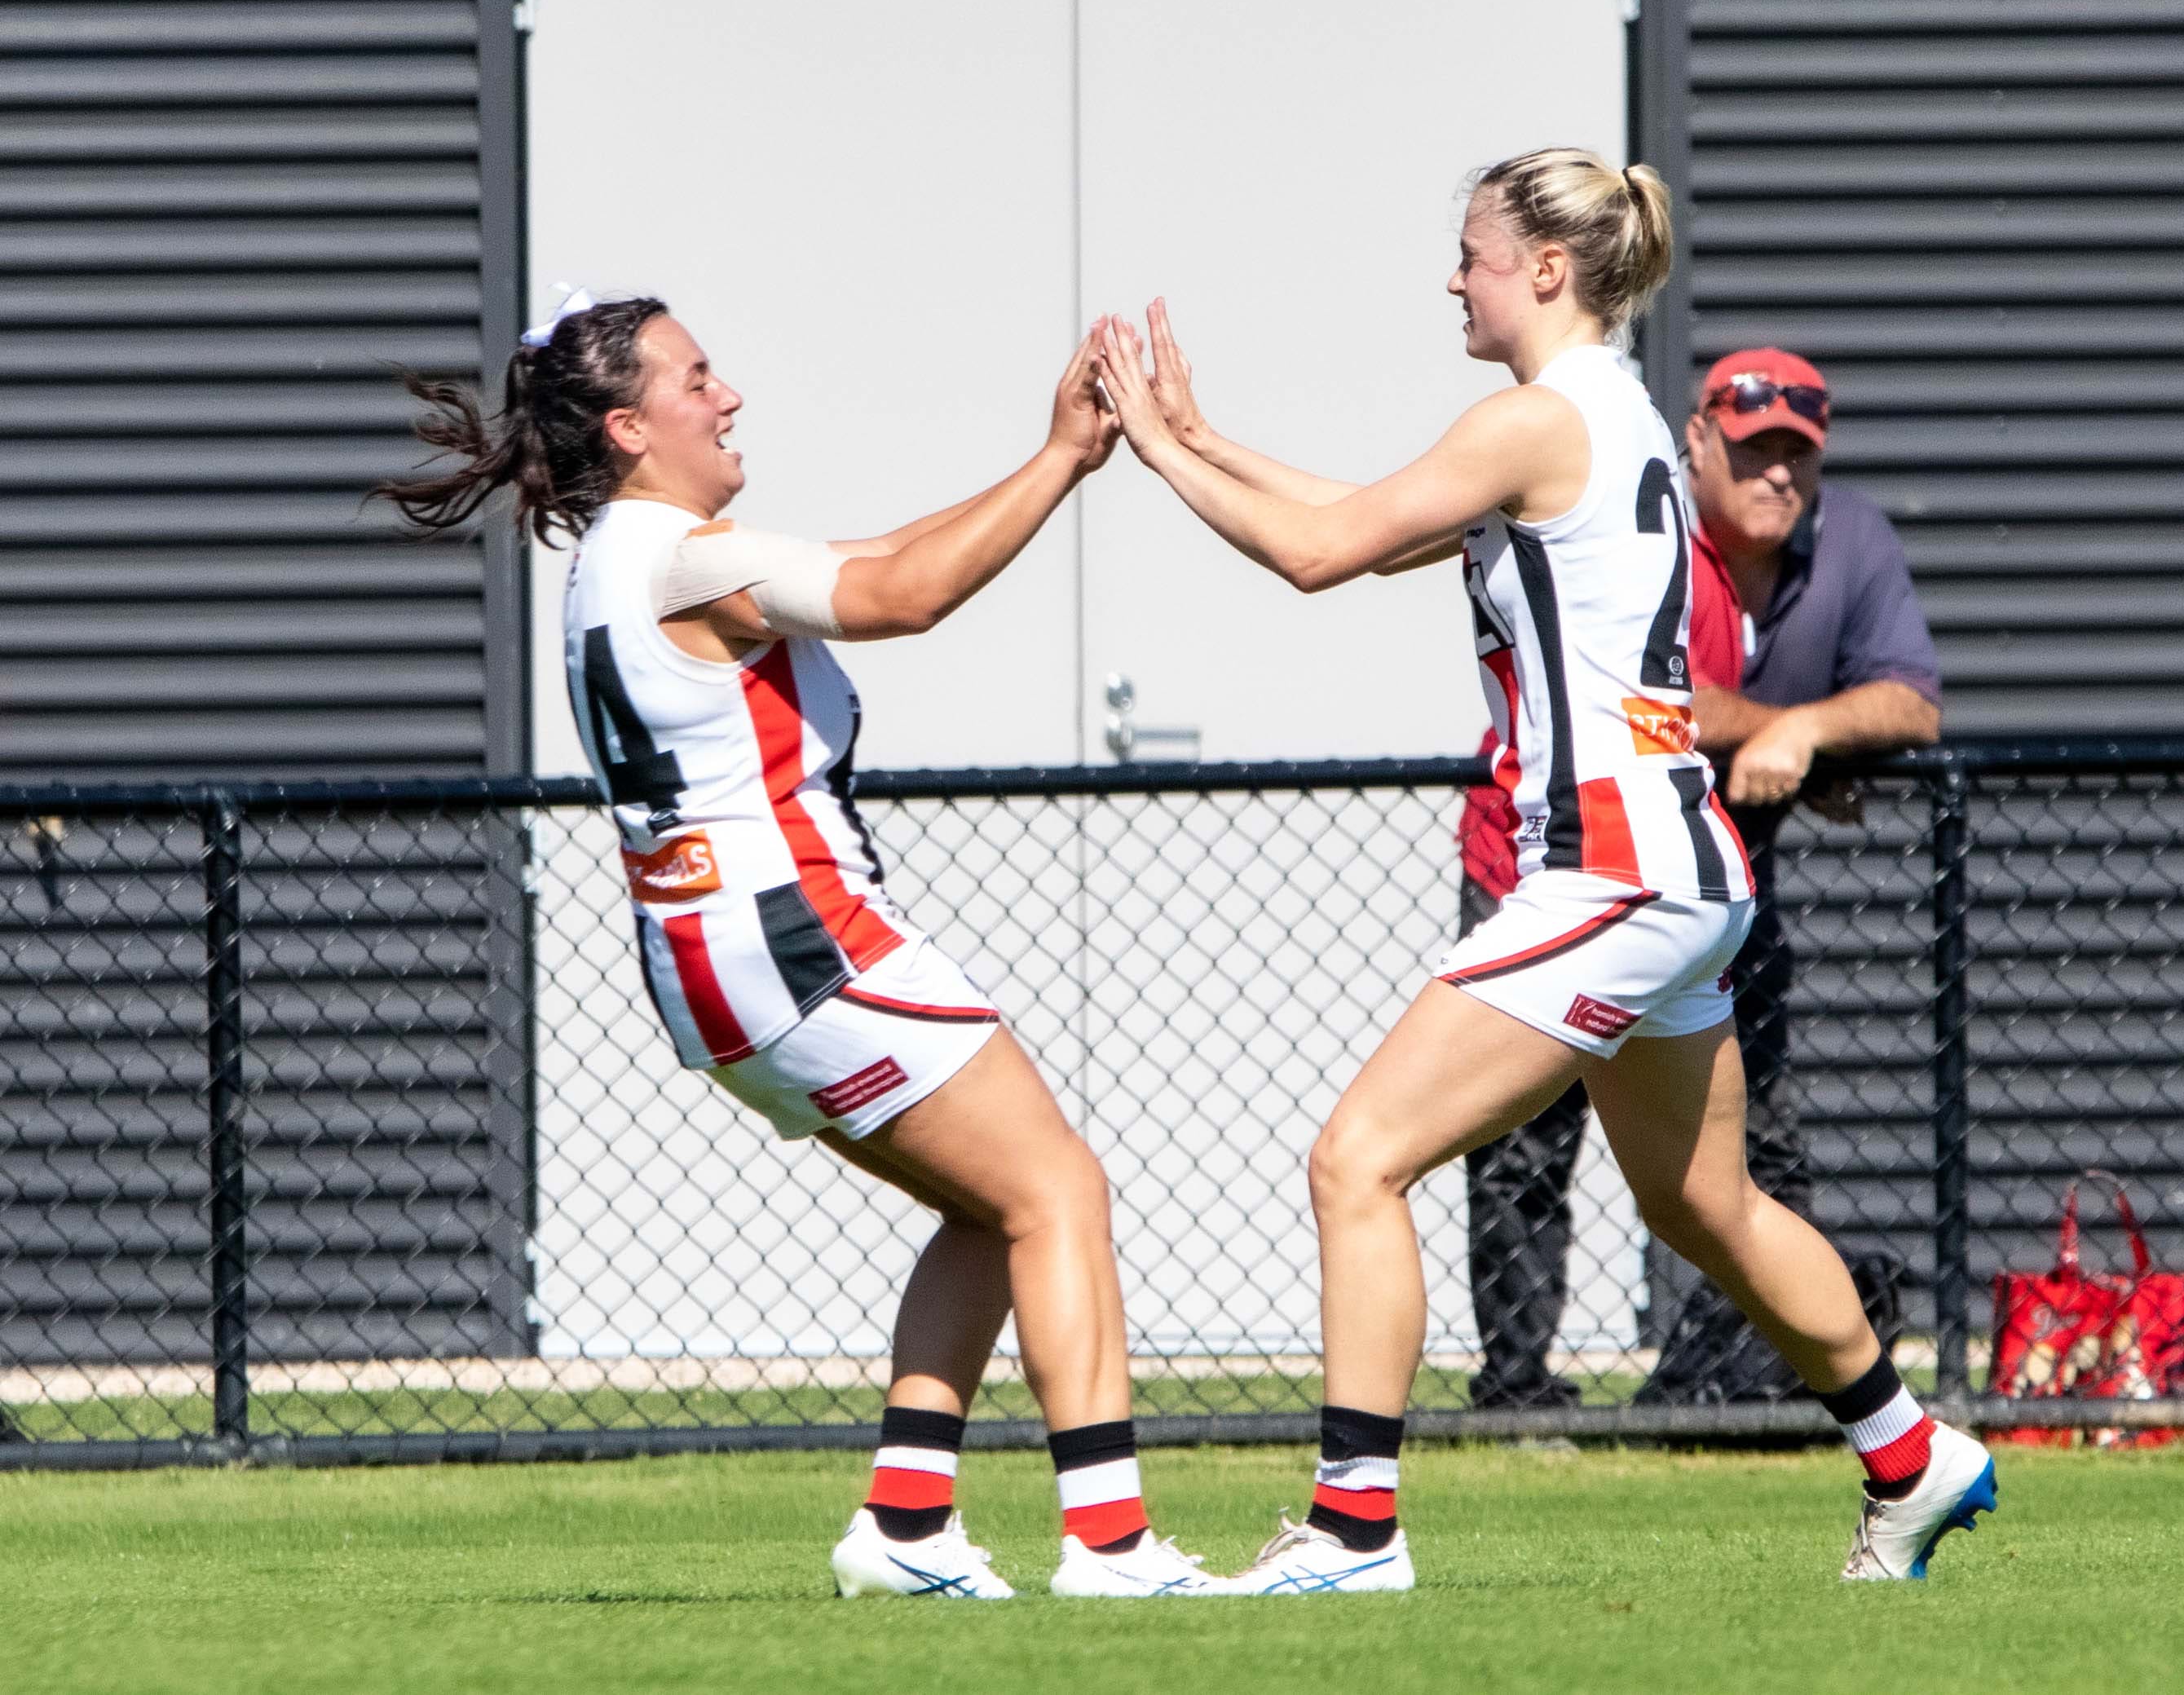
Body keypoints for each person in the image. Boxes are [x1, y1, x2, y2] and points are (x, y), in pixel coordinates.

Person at [1093, 148, 1996, 1592]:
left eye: (1473, 254)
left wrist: (1156, 447)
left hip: (1611, 871)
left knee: (1357, 1161)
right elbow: (1371, 522)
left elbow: (1320, 553)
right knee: (1706, 1206)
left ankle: (1353, 1532)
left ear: (1548, 269)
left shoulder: (1532, 419)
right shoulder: (1615, 417)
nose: (1454, 279)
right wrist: (1198, 435)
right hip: (1683, 868)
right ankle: (1910, 1454)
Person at [373, 292, 1221, 1600]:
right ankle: (1110, 1546)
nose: (728, 397)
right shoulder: (676, 558)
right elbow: (903, 592)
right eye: (696, 378)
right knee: (1060, 1191)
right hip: (801, 939)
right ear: (629, 427)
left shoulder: (627, 557)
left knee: (993, 1208)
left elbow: (875, 551)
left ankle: (905, 1528)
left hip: (713, 962)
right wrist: (1062, 458)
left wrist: (1053, 455)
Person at [1454, 345, 1942, 1408]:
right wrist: (1785, 738)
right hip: (1553, 859)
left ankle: (1768, 1386)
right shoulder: (1647, 515)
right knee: (1521, 1135)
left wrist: (1803, 736)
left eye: (1798, 454)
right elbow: (1664, 705)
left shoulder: (1850, 541)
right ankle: (1516, 1396)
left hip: (1706, 881)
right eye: (1756, 450)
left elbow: (1911, 700)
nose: (1779, 474)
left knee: (1748, 1159)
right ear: (1699, 443)